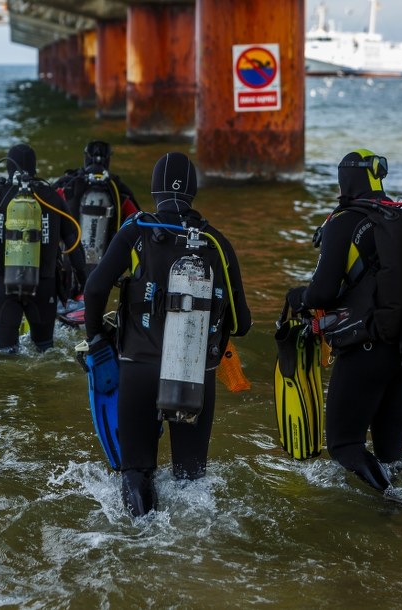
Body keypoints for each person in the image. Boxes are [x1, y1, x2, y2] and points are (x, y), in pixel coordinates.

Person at [83, 152, 252, 517]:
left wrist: (97, 339)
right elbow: (241, 324)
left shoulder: (136, 231)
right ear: (193, 190)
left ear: (154, 188)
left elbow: (94, 290)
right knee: (191, 481)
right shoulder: (216, 243)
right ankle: (189, 555)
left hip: (139, 369)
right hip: (194, 375)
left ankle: (142, 547)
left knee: (136, 473)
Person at [284, 149, 402, 492]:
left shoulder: (343, 221)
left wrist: (298, 297)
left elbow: (322, 293)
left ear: (344, 180)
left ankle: (394, 501)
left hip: (369, 347)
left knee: (345, 445)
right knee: (391, 455)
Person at [0, 143, 88, 353]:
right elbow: (75, 247)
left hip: (1, 290)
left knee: (7, 359)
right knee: (46, 354)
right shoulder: (51, 198)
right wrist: (82, 286)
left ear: (8, 167)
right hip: (45, 289)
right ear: (35, 167)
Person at [53, 140, 140, 275]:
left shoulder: (68, 184)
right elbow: (138, 223)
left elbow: (47, 209)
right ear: (108, 159)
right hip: (104, 270)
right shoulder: (117, 190)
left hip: (69, 263)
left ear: (85, 157)